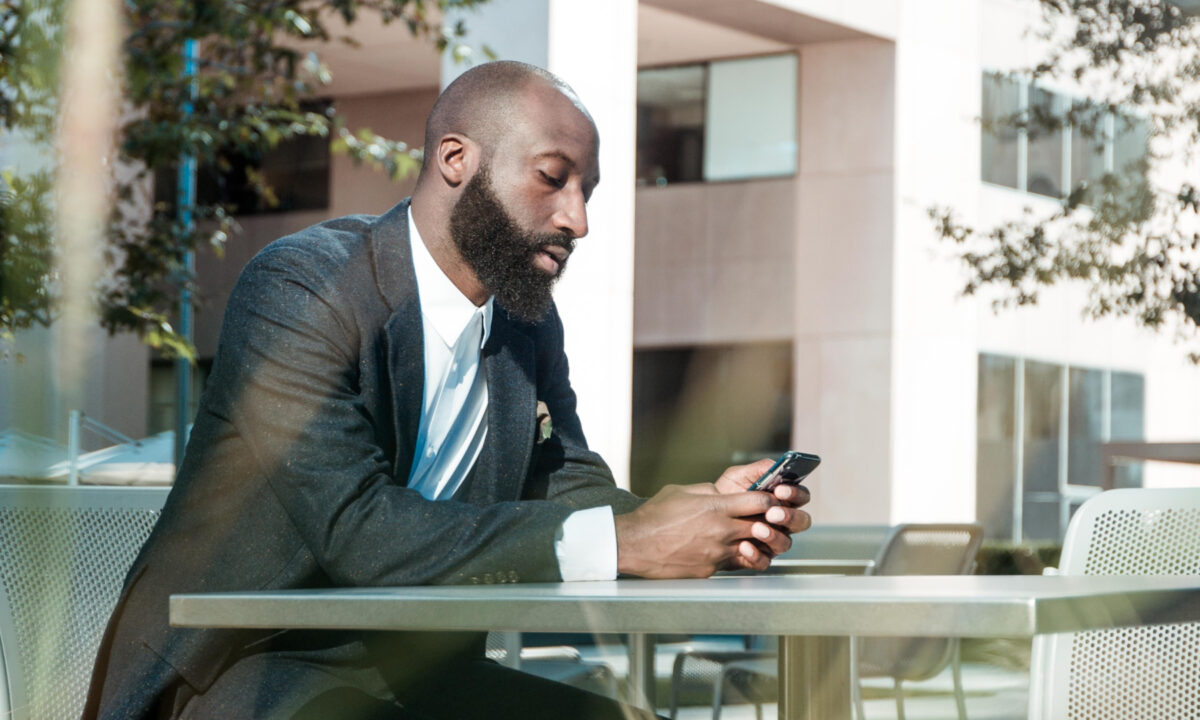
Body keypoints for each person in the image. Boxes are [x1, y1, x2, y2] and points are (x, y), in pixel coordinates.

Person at [82, 61, 812, 720]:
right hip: (245, 667)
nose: (577, 219)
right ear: (456, 159)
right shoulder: (304, 288)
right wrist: (629, 540)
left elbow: (566, 491)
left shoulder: (526, 320)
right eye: (553, 178)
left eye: (587, 191)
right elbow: (360, 534)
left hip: (414, 671)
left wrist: (703, 522)